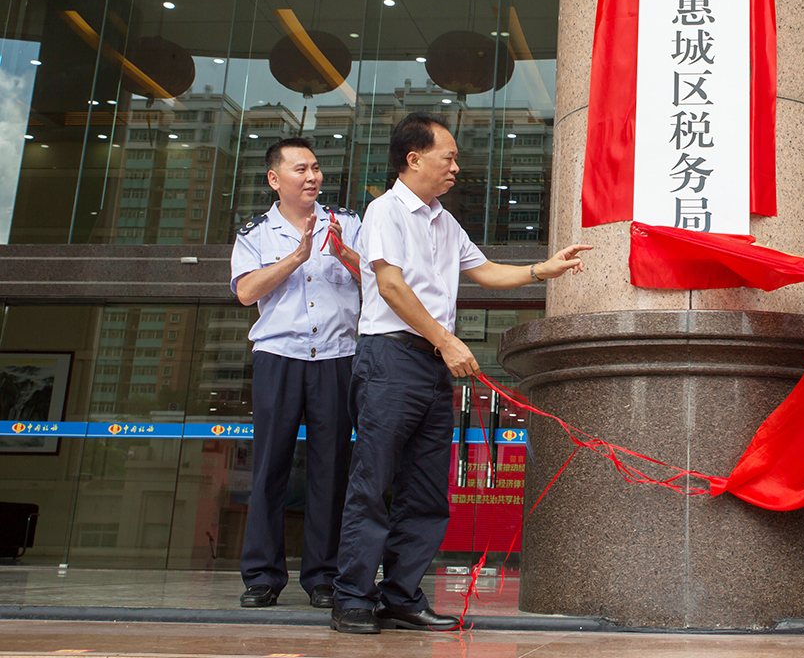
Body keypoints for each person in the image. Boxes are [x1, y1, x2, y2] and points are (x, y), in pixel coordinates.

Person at [330, 112, 591, 634]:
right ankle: (352, 596)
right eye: (447, 157)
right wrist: (446, 340)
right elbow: (391, 287)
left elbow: (486, 270)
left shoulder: (444, 220)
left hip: (430, 366)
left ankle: (401, 596)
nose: (455, 167)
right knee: (373, 481)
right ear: (414, 158)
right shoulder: (385, 211)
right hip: (390, 357)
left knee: (427, 489)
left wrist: (545, 269)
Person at [230, 137, 362, 610]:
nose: (312, 177)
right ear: (275, 178)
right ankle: (262, 576)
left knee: (331, 471)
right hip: (278, 356)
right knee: (269, 467)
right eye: (300, 169)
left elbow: (380, 281)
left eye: (316, 168)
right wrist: (297, 257)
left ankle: (323, 576)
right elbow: (246, 292)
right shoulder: (256, 233)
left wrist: (344, 254)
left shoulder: (346, 223)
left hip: (336, 357)